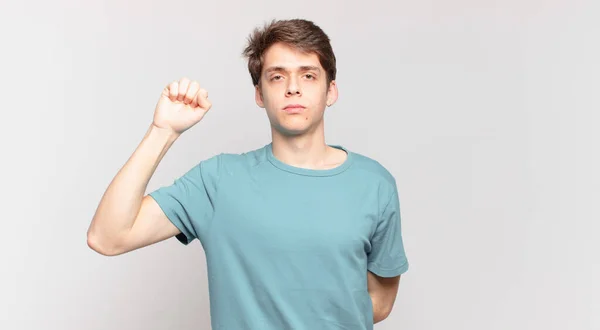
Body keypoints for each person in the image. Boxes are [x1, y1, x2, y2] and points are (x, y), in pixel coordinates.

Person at [87, 18, 409, 330]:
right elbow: (108, 236)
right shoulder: (217, 180)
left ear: (331, 91)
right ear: (259, 94)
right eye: (277, 77)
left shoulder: (374, 184)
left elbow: (379, 302)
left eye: (308, 75)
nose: (293, 88)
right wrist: (163, 131)